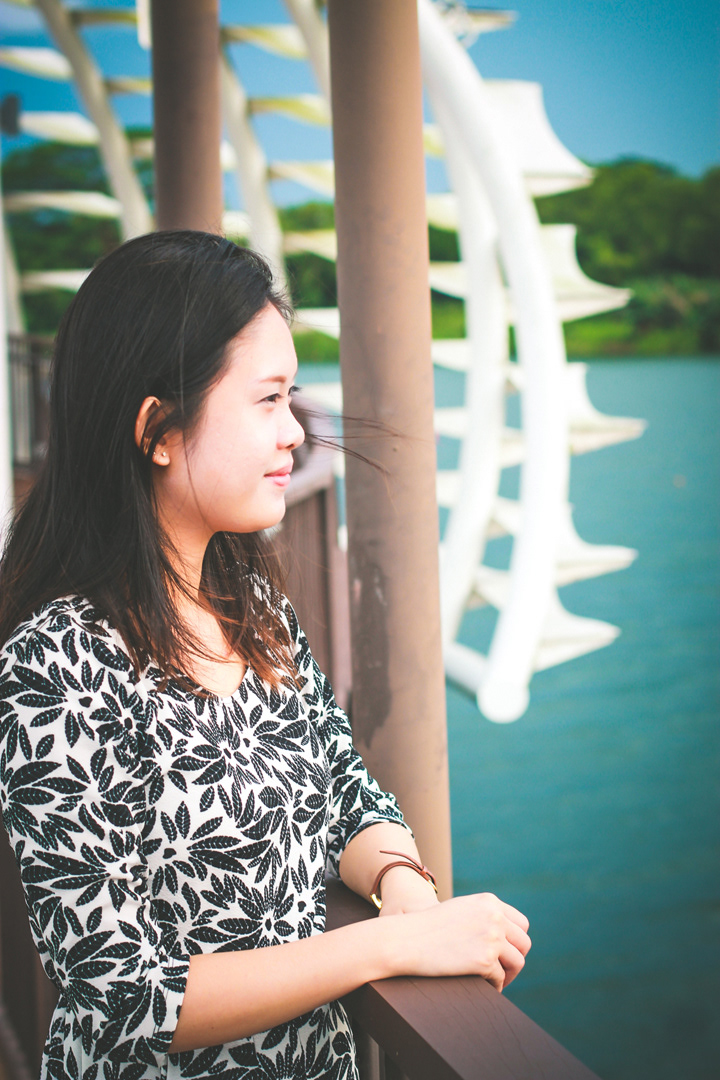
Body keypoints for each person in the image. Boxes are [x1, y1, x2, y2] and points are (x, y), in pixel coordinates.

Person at [0, 231, 530, 1080]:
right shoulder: (53, 667)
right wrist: (390, 947)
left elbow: (347, 794)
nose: (295, 434)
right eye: (268, 401)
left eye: (294, 399)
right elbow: (121, 997)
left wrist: (403, 886)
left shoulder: (252, 609)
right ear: (157, 429)